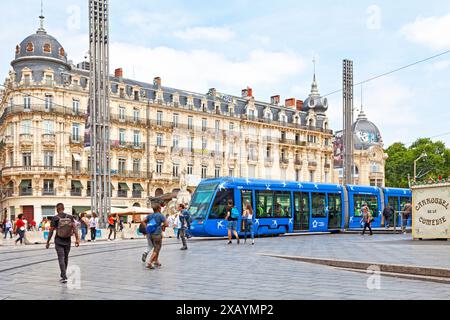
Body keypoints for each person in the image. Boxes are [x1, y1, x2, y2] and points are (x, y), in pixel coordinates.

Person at [46, 203, 80, 283]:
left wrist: (48, 242)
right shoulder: (70, 217)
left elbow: (51, 230)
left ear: (57, 209)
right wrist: (77, 239)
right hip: (67, 240)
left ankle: (64, 276)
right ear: (63, 208)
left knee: (60, 257)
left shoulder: (55, 218)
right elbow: (75, 228)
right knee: (66, 257)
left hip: (58, 240)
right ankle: (63, 274)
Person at [142, 204, 168, 269]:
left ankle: (156, 261)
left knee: (156, 247)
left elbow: (143, 221)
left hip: (150, 234)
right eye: (160, 208)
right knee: (157, 248)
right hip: (157, 234)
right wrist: (162, 226)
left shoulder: (150, 215)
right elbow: (166, 224)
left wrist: (147, 228)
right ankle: (150, 262)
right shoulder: (160, 215)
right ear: (159, 209)